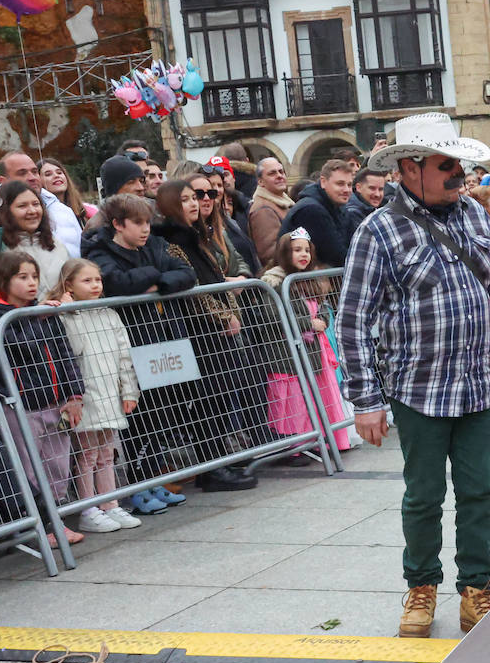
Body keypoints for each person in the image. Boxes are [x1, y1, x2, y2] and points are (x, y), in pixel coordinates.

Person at [338, 113, 490, 638]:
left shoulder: (477, 217)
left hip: (477, 382)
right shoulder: (378, 229)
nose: (457, 173)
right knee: (423, 496)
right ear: (409, 168)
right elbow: (352, 318)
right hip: (418, 389)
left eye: (459, 163)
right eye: (445, 164)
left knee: (479, 491)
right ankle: (421, 586)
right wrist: (365, 400)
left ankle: (476, 588)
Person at [82, 192, 195, 514]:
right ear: (118, 224)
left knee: (165, 411)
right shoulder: (100, 251)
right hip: (133, 342)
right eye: (138, 223)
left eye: (147, 222)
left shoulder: (155, 245)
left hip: (164, 340)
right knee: (141, 417)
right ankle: (139, 484)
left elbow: (185, 272)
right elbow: (117, 282)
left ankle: (155, 479)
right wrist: (156, 277)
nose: (145, 229)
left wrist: (157, 283)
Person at [154, 179, 259, 493]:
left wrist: (232, 312)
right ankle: (211, 467)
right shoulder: (173, 242)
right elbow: (194, 291)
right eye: (185, 199)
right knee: (209, 401)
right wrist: (223, 315)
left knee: (223, 398)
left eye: (193, 198)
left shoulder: (199, 236)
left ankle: (218, 463)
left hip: (218, 331)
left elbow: (215, 278)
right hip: (200, 332)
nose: (193, 204)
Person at [0, 251, 85, 548]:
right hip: (21, 405)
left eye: (34, 276)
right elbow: (11, 346)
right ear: (4, 280)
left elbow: (65, 353)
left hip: (54, 401)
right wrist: (35, 317)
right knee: (30, 467)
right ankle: (44, 525)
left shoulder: (43, 312)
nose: (32, 283)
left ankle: (58, 518)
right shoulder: (0, 315)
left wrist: (74, 394)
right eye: (23, 277)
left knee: (58, 465)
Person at [51, 259, 143, 534]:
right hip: (86, 395)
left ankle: (110, 504)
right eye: (86, 281)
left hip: (109, 393)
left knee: (106, 452)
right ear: (69, 285)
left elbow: (125, 356)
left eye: (97, 280)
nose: (95, 286)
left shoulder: (109, 314)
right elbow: (73, 349)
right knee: (87, 454)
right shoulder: (65, 317)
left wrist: (129, 390)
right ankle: (88, 508)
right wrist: (69, 309)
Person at [261, 228, 349, 451]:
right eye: (297, 250)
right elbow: (273, 316)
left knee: (319, 394)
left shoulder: (306, 280)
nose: (304, 255)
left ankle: (327, 439)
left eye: (307, 250)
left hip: (313, 351)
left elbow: (321, 306)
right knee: (296, 400)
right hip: (289, 355)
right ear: (283, 253)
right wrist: (308, 324)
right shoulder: (274, 282)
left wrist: (320, 320)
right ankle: (298, 444)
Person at [0, 181, 70, 300]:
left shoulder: (56, 245)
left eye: (35, 204)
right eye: (22, 206)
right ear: (6, 211)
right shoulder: (1, 248)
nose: (32, 211)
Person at [0, 152, 80, 257]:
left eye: (35, 171)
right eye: (22, 173)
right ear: (4, 181)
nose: (32, 177)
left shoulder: (62, 210)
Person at [281, 159, 355, 267]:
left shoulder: (339, 207)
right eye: (340, 184)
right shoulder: (311, 210)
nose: (347, 190)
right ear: (323, 182)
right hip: (307, 280)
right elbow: (336, 256)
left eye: (349, 185)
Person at [249, 157, 293, 269]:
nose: (279, 175)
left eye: (281, 171)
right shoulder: (263, 210)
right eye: (272, 173)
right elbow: (270, 254)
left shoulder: (284, 202)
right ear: (260, 182)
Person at [38, 159, 96, 229]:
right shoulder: (39, 215)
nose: (56, 176)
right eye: (48, 174)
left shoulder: (86, 211)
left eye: (59, 172)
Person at [344, 167, 387, 238]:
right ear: (358, 188)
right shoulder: (352, 213)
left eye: (381, 189)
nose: (377, 194)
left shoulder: (379, 208)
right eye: (372, 188)